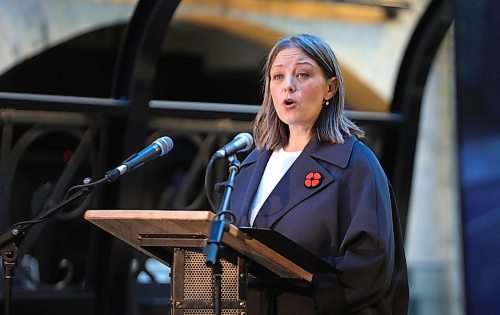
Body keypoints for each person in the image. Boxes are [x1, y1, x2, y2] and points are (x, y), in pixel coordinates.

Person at [229, 34, 409, 314]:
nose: (288, 86)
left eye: (303, 74)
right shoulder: (251, 164)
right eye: (278, 77)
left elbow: (369, 264)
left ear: (330, 88)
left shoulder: (354, 162)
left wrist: (302, 298)